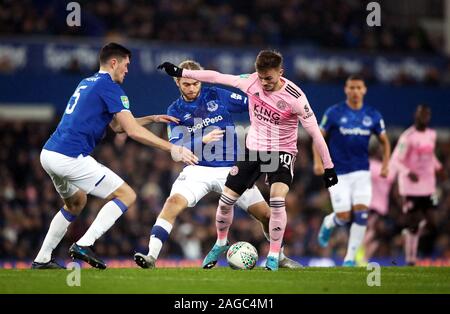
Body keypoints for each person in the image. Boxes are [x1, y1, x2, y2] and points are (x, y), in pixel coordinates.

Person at [157, 50, 337, 271]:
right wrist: (179, 71)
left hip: (280, 152)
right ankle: (221, 243)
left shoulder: (296, 97)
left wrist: (329, 167)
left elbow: (317, 134)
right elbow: (216, 77)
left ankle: (274, 257)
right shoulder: (251, 81)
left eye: (268, 78)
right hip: (253, 152)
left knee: (277, 201)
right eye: (260, 77)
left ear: (280, 72)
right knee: (226, 201)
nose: (264, 83)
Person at [31, 43, 197, 270]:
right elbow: (131, 131)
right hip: (70, 156)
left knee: (76, 203)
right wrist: (171, 148)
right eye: (126, 65)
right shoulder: (110, 87)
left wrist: (152, 118)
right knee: (127, 195)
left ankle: (42, 259)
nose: (127, 71)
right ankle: (84, 244)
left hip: (49, 153)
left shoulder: (88, 82)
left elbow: (118, 127)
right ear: (113, 63)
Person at [133, 60, 301, 269]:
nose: (192, 88)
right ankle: (151, 256)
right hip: (198, 169)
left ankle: (280, 255)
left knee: (267, 215)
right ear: (177, 82)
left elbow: (254, 104)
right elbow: (176, 149)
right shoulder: (174, 110)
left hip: (231, 169)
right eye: (186, 84)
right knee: (172, 203)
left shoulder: (217, 95)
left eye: (195, 83)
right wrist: (201, 139)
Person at [314, 75, 391, 267]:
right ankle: (329, 222)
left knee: (362, 214)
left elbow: (385, 141)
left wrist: (386, 164)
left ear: (364, 90)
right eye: (351, 87)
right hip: (337, 172)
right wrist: (318, 162)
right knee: (343, 216)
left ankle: (349, 259)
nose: (355, 91)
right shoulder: (334, 113)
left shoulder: (373, 115)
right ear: (346, 90)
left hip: (361, 173)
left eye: (358, 87)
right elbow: (318, 137)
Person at [392, 105, 443, 266]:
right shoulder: (408, 137)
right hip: (411, 188)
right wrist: (408, 172)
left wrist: (439, 167)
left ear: (429, 117)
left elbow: (430, 156)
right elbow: (395, 160)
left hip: (428, 187)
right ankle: (410, 259)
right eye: (421, 114)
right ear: (416, 116)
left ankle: (410, 234)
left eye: (427, 115)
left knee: (433, 223)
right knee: (413, 223)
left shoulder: (432, 135)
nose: (424, 117)